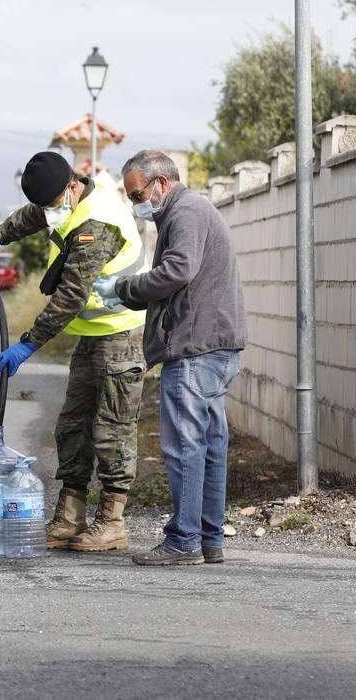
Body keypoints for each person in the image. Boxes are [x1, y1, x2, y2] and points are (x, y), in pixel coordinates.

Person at [0, 151, 147, 552]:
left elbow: (70, 297)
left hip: (121, 334)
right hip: (92, 335)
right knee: (72, 425)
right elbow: (36, 215)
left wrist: (28, 343)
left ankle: (112, 521)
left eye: (52, 203)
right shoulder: (68, 202)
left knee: (112, 431)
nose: (49, 211)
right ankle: (70, 517)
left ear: (70, 187)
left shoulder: (96, 221)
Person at [93, 150, 247, 566]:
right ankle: (208, 538)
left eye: (137, 192)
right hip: (215, 346)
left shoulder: (185, 213)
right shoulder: (188, 212)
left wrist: (125, 289)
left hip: (196, 350)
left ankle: (184, 541)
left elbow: (178, 270)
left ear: (161, 183)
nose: (135, 202)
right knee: (210, 446)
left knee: (185, 447)